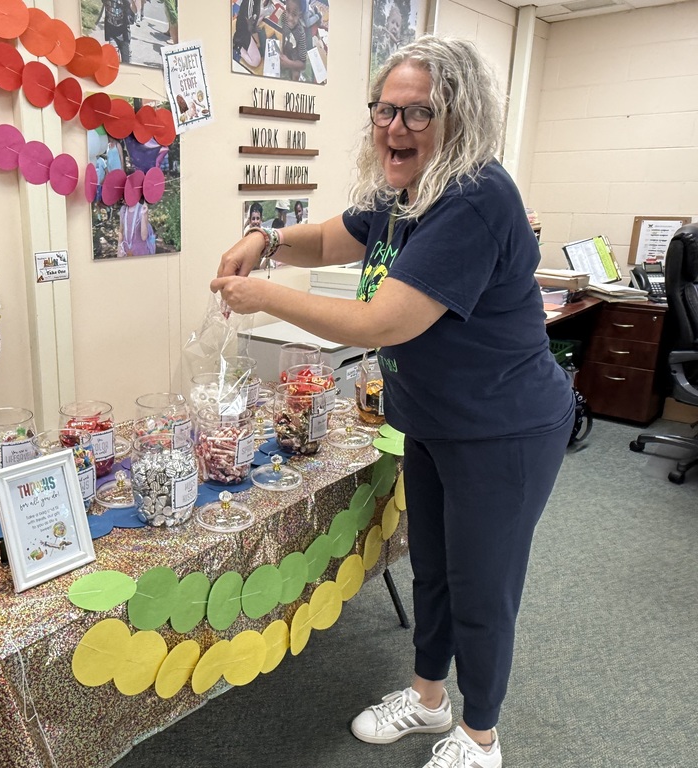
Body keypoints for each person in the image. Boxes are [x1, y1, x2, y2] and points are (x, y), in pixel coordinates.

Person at [212, 36, 574, 768]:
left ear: (458, 118)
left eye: (418, 113)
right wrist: (268, 238)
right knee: (434, 569)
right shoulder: (404, 193)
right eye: (386, 110)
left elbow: (384, 322)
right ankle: (428, 698)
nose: (395, 128)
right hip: (435, 419)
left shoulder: (474, 198)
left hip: (502, 429)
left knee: (484, 583)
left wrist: (261, 295)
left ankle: (480, 736)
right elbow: (331, 238)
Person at [279, 0, 308, 81]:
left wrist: (288, 63)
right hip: (284, 47)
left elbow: (303, 65)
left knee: (296, 75)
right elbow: (280, 32)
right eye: (288, 11)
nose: (290, 18)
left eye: (294, 14)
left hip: (294, 58)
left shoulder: (300, 34)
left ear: (300, 15)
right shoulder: (284, 17)